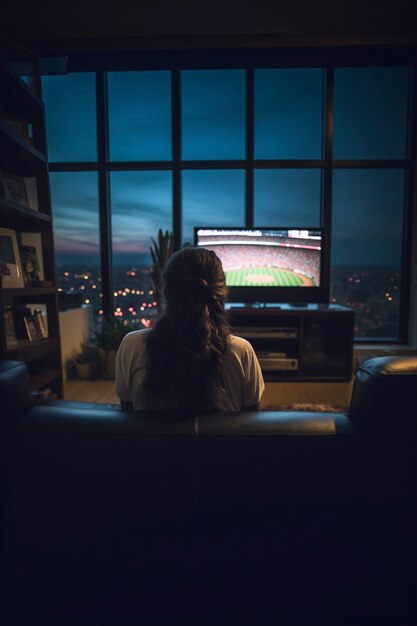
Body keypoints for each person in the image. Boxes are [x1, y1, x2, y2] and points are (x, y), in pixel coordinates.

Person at [115, 246, 264, 412]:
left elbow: (128, 416)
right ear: (220, 293)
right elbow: (250, 422)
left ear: (166, 292)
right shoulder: (241, 351)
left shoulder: (131, 346)